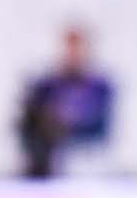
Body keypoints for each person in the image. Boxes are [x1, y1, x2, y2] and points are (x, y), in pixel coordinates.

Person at [16, 24, 115, 178]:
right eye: (69, 48)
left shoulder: (99, 86)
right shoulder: (48, 84)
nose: (73, 54)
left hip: (83, 148)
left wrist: (66, 120)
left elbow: (97, 122)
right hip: (50, 148)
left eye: (77, 48)